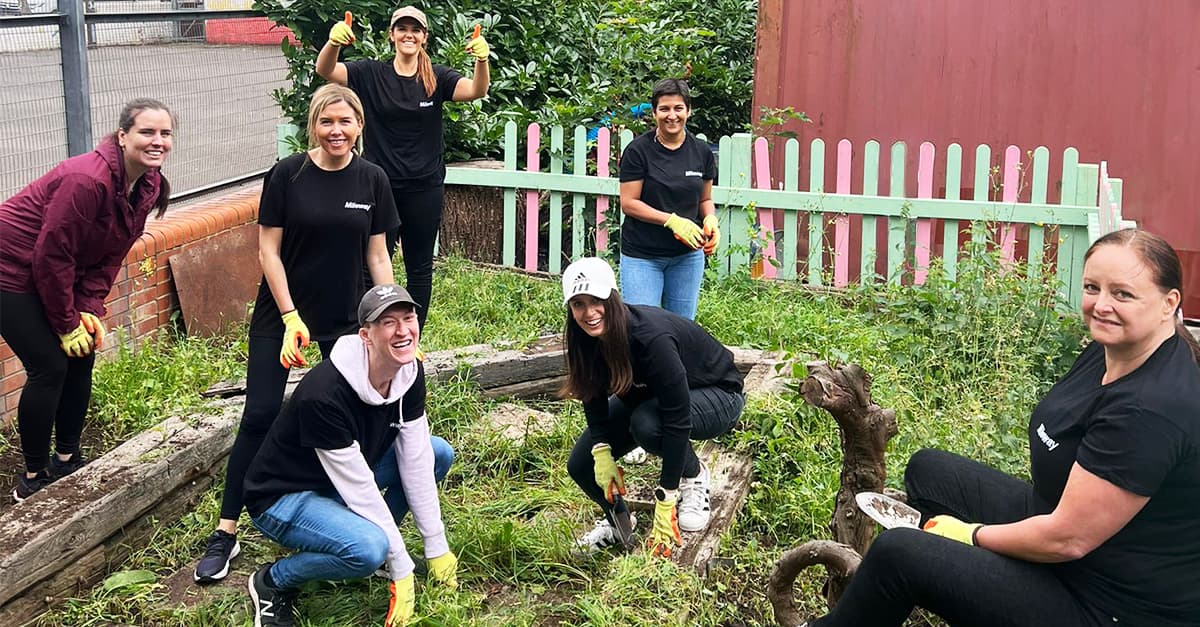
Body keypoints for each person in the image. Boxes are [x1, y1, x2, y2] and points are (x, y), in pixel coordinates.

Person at [806, 228, 1200, 627]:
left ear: (1169, 303)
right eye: (1092, 287)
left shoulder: (1151, 408)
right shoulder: (1116, 347)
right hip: (1062, 527)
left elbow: (1068, 539)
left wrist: (969, 535)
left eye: (1123, 294)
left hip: (1109, 603)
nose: (1101, 305)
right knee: (928, 471)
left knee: (898, 553)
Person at [194, 84, 399, 583]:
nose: (337, 131)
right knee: (261, 414)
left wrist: (391, 319)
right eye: (327, 122)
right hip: (280, 317)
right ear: (314, 125)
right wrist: (289, 316)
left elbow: (377, 257)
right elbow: (269, 252)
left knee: (353, 415)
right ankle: (226, 530)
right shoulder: (289, 174)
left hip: (346, 321)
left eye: (345, 122)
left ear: (359, 127)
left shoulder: (372, 179)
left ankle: (342, 513)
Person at [242, 285, 456, 627]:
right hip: (282, 497)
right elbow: (359, 487)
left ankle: (375, 545)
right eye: (388, 322)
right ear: (365, 336)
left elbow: (416, 459)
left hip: (338, 480)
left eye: (408, 318)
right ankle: (273, 580)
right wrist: (401, 566)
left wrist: (436, 546)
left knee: (437, 453)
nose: (403, 331)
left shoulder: (408, 370)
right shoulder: (325, 395)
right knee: (368, 549)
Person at [0, 98, 174, 503]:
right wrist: (65, 323)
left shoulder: (147, 184)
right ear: (122, 136)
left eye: (165, 133)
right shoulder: (88, 180)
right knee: (49, 366)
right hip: (10, 270)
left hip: (50, 270)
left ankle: (67, 458)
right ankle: (32, 477)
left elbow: (111, 253)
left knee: (83, 354)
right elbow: (52, 255)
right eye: (147, 132)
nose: (158, 141)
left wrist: (87, 308)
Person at [316, 5, 491, 331]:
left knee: (420, 266)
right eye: (402, 28)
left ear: (424, 37)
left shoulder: (436, 77)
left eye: (415, 30)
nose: (408, 35)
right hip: (379, 187)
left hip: (425, 187)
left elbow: (477, 90)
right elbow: (327, 70)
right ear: (393, 35)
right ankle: (369, 330)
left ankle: (412, 336)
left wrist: (482, 61)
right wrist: (334, 43)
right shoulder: (371, 73)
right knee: (370, 264)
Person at [559, 257, 745, 556]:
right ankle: (619, 524)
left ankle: (695, 477)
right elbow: (592, 394)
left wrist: (666, 498)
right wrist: (602, 451)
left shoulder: (650, 337)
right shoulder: (584, 338)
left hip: (717, 395)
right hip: (653, 399)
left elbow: (677, 416)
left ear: (612, 297)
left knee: (648, 424)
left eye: (596, 300)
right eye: (578, 304)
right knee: (582, 465)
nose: (589, 312)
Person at [617, 78, 718, 321]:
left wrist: (711, 219)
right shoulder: (637, 151)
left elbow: (705, 199)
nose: (671, 115)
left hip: (687, 256)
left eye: (678, 108)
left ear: (688, 111)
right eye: (664, 109)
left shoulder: (702, 152)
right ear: (654, 113)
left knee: (682, 328)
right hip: (642, 255)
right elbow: (629, 203)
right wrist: (671, 220)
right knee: (643, 327)